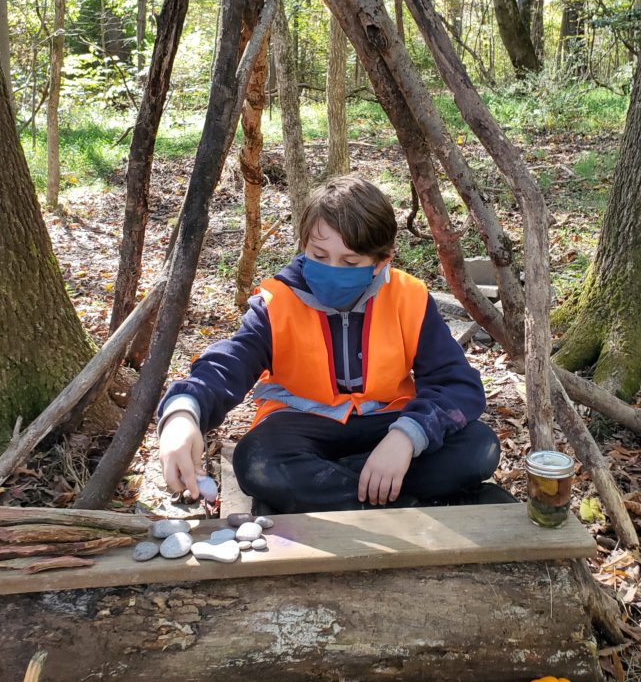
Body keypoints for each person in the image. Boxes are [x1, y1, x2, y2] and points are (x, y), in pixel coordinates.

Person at [158, 176, 513, 513]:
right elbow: (228, 364)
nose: (331, 268)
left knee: (478, 447)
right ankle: (407, 507)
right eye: (319, 255)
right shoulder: (276, 302)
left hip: (388, 422)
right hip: (301, 427)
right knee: (258, 461)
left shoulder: (410, 297)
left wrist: (405, 438)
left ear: (381, 261)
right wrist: (182, 413)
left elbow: (456, 384)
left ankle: (331, 494)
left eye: (350, 261)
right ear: (304, 247)